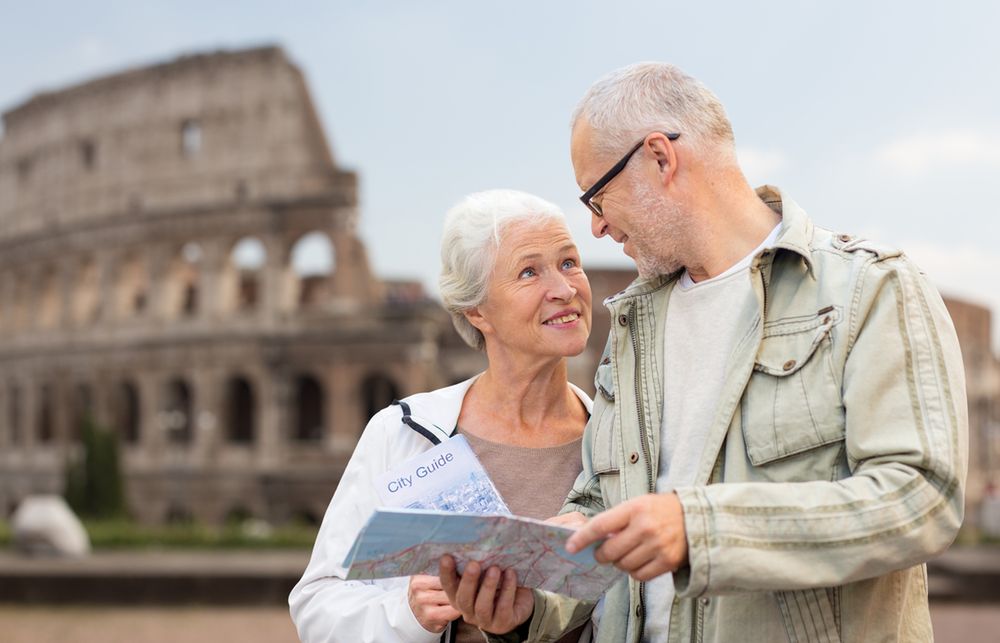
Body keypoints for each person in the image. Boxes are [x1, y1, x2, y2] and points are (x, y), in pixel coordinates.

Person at [441, 63, 968, 643]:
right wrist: (528, 608)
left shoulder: (871, 288)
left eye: (596, 195)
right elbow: (599, 508)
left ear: (660, 158)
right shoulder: (632, 326)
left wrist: (701, 529)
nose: (595, 227)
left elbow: (922, 497)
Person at [289, 189, 594, 643]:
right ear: (476, 311)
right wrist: (408, 614)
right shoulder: (402, 432)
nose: (565, 289)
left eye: (569, 263)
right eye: (529, 271)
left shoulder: (617, 439)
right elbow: (317, 604)